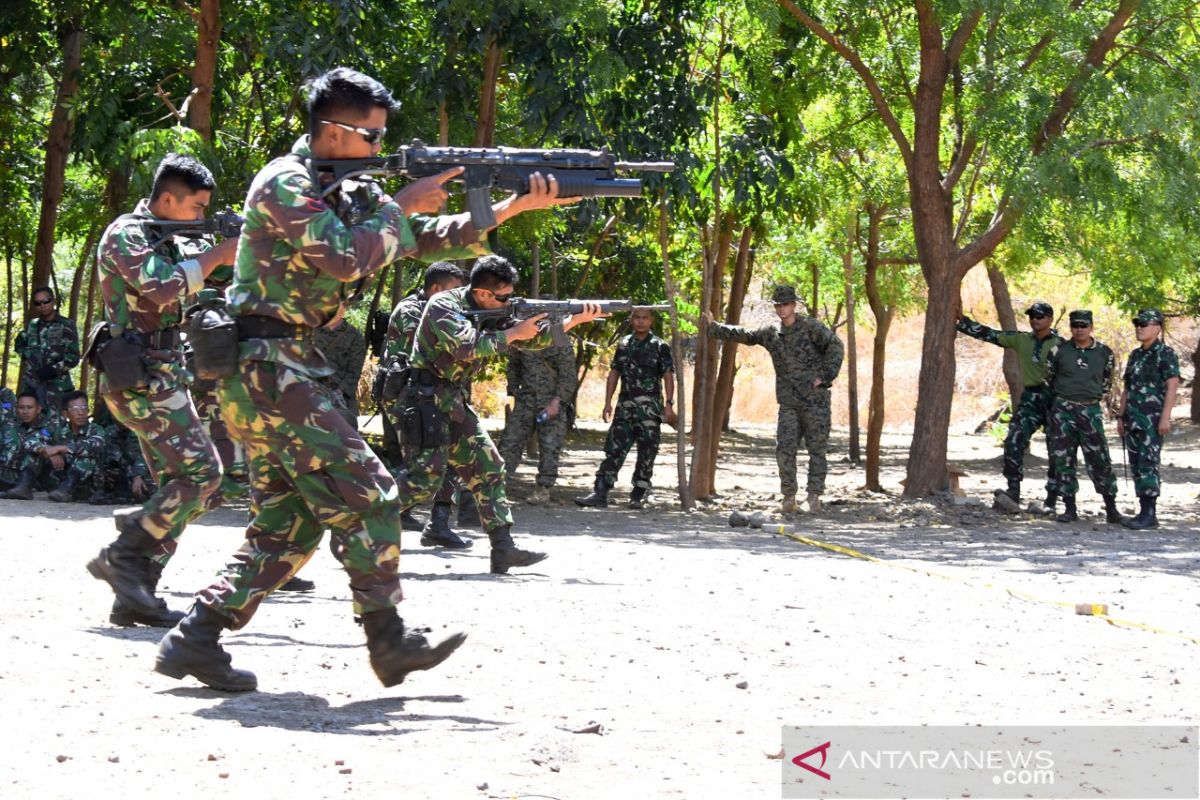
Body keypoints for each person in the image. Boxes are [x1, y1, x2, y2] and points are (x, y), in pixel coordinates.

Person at [156, 67, 575, 692]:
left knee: (289, 524)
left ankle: (195, 636)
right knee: (373, 492)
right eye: (372, 138)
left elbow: (422, 237)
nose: (381, 149)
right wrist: (402, 204)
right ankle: (388, 641)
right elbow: (347, 257)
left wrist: (510, 208)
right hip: (263, 367)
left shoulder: (347, 193)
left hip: (279, 369)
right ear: (332, 132)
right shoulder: (284, 184)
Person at [84, 153, 237, 629]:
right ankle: (124, 550)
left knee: (183, 487)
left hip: (165, 374)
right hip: (139, 375)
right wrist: (216, 254)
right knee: (203, 476)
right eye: (196, 207)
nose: (200, 217)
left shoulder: (174, 237)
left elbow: (215, 285)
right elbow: (163, 288)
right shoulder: (126, 233)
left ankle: (137, 590)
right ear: (167, 199)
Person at [401, 255, 603, 566]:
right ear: (483, 293)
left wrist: (572, 320)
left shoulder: (492, 309)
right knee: (424, 478)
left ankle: (502, 548)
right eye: (504, 296)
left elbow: (530, 341)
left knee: (490, 465)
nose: (509, 302)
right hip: (425, 398)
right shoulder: (444, 304)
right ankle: (358, 523)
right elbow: (467, 348)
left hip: (450, 399)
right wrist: (515, 333)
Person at [702, 285, 844, 514]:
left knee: (817, 450)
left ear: (794, 305)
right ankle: (789, 497)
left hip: (815, 401)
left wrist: (825, 376)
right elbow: (747, 336)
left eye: (786, 304)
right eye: (778, 305)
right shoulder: (771, 332)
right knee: (784, 449)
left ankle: (814, 496)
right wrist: (715, 328)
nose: (782, 309)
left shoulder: (810, 327)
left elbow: (835, 346)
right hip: (788, 402)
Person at [381, 260, 474, 548]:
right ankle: (369, 515)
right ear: (435, 289)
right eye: (455, 290)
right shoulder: (411, 310)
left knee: (445, 461)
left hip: (436, 396)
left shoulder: (449, 312)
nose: (460, 296)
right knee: (420, 467)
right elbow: (429, 353)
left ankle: (438, 523)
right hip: (407, 396)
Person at [957, 301, 1064, 514]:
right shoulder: (1022, 340)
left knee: (1057, 449)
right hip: (1031, 398)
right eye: (1032, 316)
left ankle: (1052, 497)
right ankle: (1013, 490)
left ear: (1050, 319)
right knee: (1014, 440)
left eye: (1040, 316)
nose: (1035, 320)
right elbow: (993, 335)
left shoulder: (1062, 345)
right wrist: (963, 323)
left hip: (1055, 399)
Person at [575, 306, 675, 510]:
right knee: (614, 449)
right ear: (631, 320)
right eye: (636, 317)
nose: (640, 321)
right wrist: (607, 402)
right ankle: (600, 491)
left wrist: (669, 404)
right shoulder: (624, 344)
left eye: (644, 318)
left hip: (650, 409)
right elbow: (614, 373)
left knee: (647, 451)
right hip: (625, 408)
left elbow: (667, 375)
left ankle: (638, 494)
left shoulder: (659, 346)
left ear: (651, 321)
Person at [1043, 310, 1120, 524]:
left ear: (1091, 327)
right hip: (1063, 409)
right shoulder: (1059, 351)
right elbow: (1049, 379)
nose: (1079, 329)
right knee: (1063, 458)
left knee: (1099, 458)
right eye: (1076, 325)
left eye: (1084, 325)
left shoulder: (1104, 352)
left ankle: (1112, 508)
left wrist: (1091, 397)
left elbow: (1107, 381)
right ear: (1071, 327)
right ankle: (1069, 508)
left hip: (1090, 410)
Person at [1116, 309, 1180, 529]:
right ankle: (1143, 510)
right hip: (1132, 418)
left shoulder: (1165, 353)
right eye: (1137, 324)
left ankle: (1150, 513)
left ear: (1158, 328)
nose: (1139, 327)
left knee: (1148, 464)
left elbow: (1172, 387)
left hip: (1152, 420)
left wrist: (1165, 418)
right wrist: (1120, 415)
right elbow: (1127, 388)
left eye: (1145, 324)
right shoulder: (1135, 355)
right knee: (1136, 463)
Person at [500, 328, 577, 505]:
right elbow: (513, 365)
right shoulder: (523, 336)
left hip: (551, 402)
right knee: (510, 442)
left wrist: (557, 403)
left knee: (550, 447)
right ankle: (497, 485)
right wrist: (514, 389)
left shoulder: (560, 340)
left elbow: (568, 376)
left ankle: (543, 489)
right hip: (526, 400)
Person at [0, 390, 105, 502]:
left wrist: (60, 448)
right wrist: (45, 450)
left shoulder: (95, 429)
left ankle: (67, 490)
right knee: (36, 453)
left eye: (84, 408)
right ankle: (24, 487)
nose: (81, 413)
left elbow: (96, 445)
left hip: (87, 484)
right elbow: (31, 440)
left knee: (85, 456)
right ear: (65, 414)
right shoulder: (57, 428)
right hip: (58, 483)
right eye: (75, 409)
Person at [15, 287, 80, 412]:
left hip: (56, 387)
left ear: (53, 301)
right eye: (38, 303)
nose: (42, 305)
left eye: (46, 301)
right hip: (32, 384)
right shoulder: (32, 325)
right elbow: (19, 344)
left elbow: (73, 357)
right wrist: (29, 358)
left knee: (56, 426)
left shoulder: (66, 325)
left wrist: (53, 370)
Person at [314, 320, 368, 429]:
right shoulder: (308, 330)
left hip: (339, 399)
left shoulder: (354, 335)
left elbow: (354, 372)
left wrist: (338, 394)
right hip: (310, 395)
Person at [0, 392, 53, 494]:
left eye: (30, 408)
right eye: (21, 407)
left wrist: (51, 451)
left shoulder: (49, 424)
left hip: (32, 475)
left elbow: (39, 443)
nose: (25, 411)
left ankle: (24, 487)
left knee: (35, 452)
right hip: (5, 473)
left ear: (38, 409)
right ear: (16, 408)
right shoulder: (9, 424)